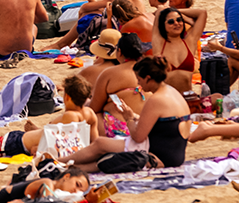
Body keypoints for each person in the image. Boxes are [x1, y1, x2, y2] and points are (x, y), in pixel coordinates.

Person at [63, 57, 193, 170]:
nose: (138, 83)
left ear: (148, 78)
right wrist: (133, 116)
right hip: (174, 153)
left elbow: (138, 137)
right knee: (103, 157)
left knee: (100, 144)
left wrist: (129, 118)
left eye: (139, 79)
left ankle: (60, 162)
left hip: (158, 154)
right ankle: (70, 167)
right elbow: (164, 123)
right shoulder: (172, 92)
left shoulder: (156, 99)